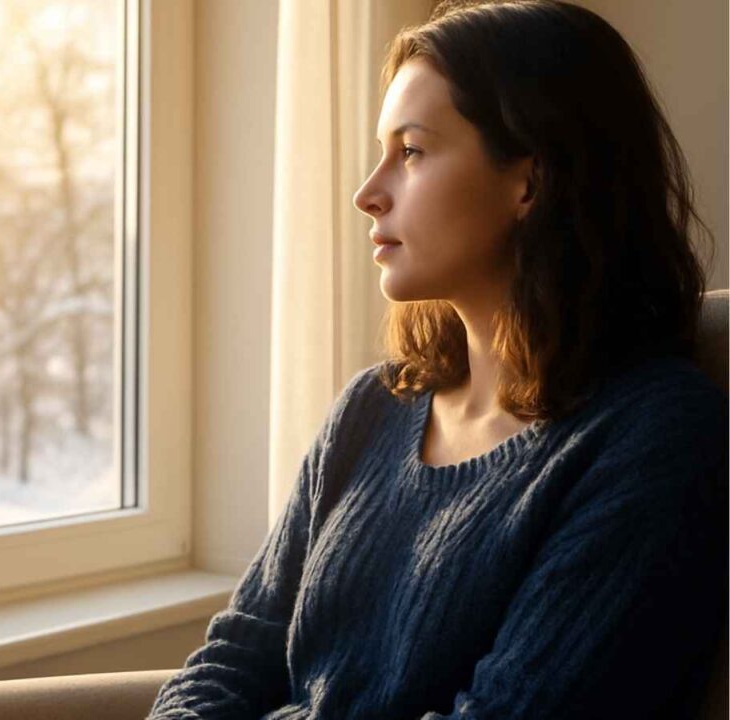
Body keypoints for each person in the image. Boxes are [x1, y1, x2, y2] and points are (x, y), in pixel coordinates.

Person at [146, 1, 728, 717]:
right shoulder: (372, 407)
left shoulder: (655, 439)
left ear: (530, 181)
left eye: (412, 151)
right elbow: (236, 655)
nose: (368, 193)